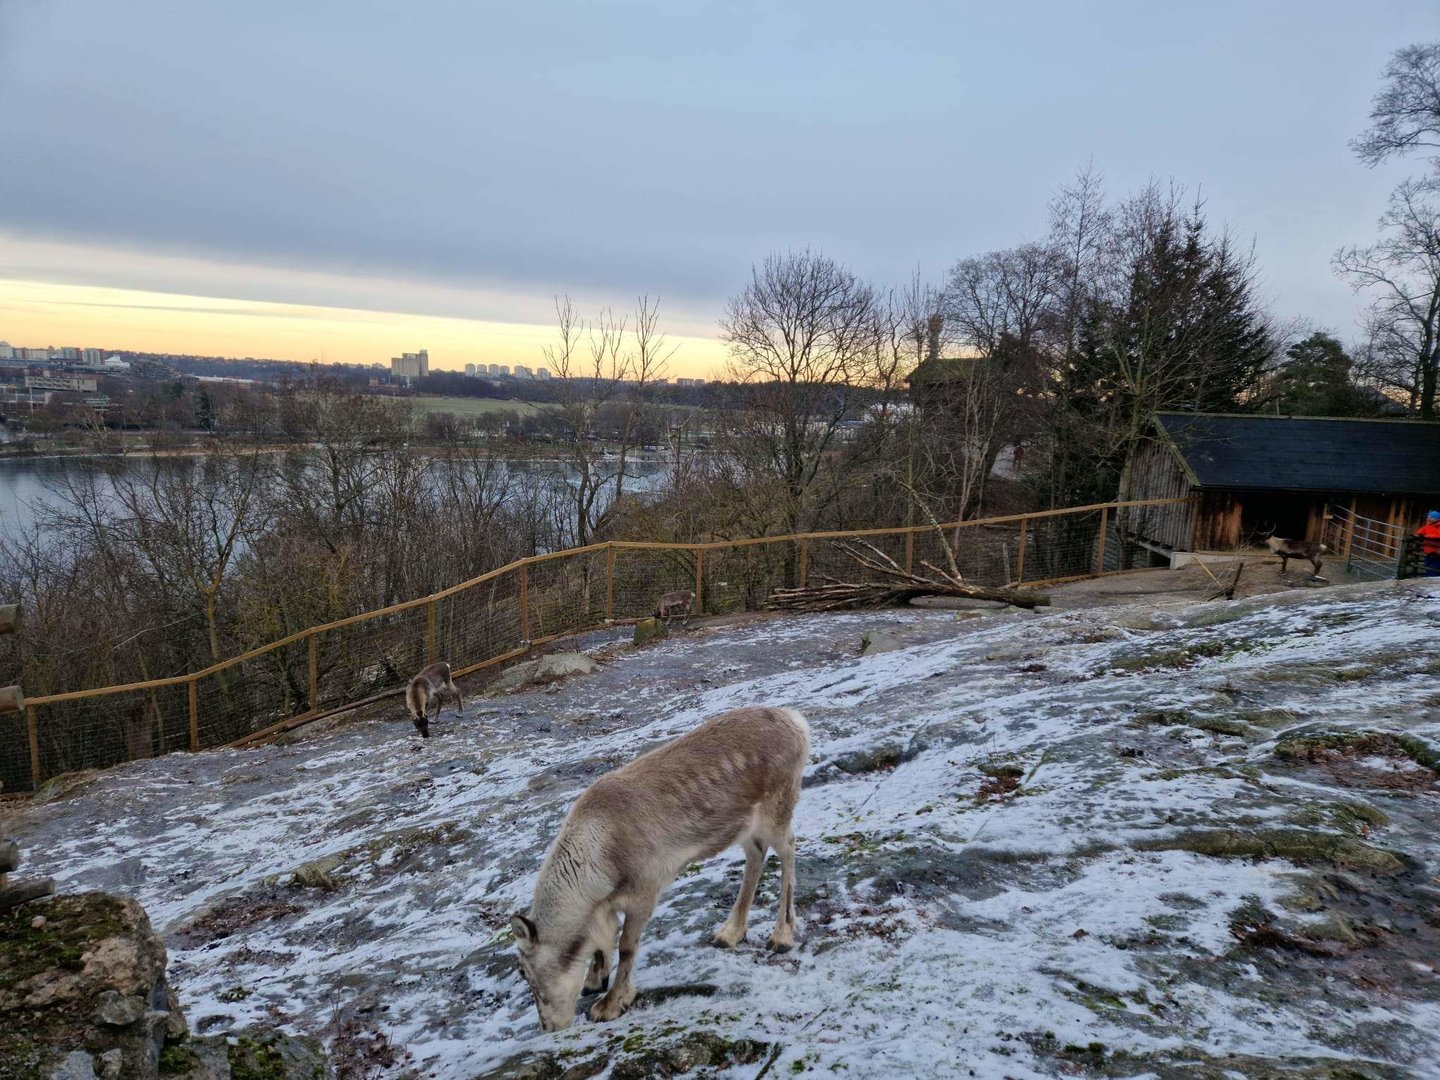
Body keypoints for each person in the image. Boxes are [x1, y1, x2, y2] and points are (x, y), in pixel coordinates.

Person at [1416, 510, 1440, 577]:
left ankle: (1432, 582)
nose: (1429, 518)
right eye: (1429, 517)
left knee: (1434, 569)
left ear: (1437, 518)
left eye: (1431, 517)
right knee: (1428, 566)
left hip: (1437, 551)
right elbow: (1420, 531)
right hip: (1428, 551)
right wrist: (1420, 534)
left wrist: (1427, 536)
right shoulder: (1428, 525)